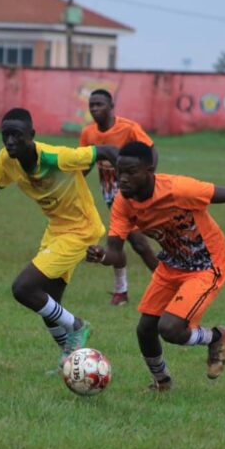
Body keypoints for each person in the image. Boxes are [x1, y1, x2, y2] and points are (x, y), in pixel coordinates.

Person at [85, 141, 225, 391]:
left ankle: (216, 337)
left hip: (207, 263)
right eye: (120, 172)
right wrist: (101, 256)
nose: (123, 179)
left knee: (170, 328)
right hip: (173, 263)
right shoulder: (123, 202)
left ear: (149, 170)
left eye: (131, 172)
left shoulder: (179, 189)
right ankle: (162, 382)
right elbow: (115, 251)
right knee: (145, 329)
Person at [0, 108, 119, 369]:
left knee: (23, 289)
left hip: (81, 230)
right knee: (48, 303)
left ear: (31, 134)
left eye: (17, 135)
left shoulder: (57, 157)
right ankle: (71, 361)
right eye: (5, 135)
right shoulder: (6, 160)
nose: (10, 141)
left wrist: (128, 183)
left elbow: (108, 151)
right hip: (56, 229)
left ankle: (77, 326)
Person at [80, 89, 158, 306]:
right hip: (109, 193)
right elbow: (84, 163)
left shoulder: (129, 128)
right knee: (125, 241)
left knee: (138, 241)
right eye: (92, 105)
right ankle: (123, 291)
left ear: (111, 105)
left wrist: (148, 178)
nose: (95, 109)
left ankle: (165, 284)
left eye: (99, 104)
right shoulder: (88, 133)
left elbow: (151, 150)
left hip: (131, 190)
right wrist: (73, 182)